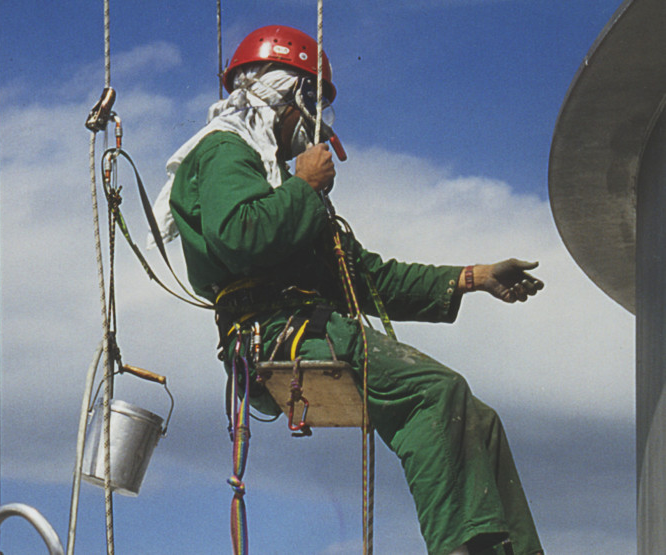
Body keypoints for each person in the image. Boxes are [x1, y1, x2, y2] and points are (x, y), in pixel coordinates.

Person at [152, 25, 544, 555]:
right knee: (435, 393)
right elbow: (241, 237)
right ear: (287, 93)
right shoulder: (225, 151)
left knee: (479, 419)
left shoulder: (277, 184)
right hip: (278, 331)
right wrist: (304, 187)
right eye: (313, 103)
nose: (317, 121)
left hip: (302, 328)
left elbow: (365, 278)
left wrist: (473, 277)